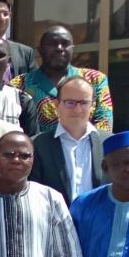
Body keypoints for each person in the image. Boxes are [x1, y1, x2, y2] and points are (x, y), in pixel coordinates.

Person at [11, 26, 113, 132]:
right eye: (52, 44)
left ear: (73, 48)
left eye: (65, 44)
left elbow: (104, 124)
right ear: (40, 50)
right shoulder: (20, 84)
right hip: (38, 147)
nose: (59, 48)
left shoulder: (95, 79)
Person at [30, 76, 105, 204]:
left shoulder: (110, 143)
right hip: (54, 222)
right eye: (70, 102)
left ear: (92, 105)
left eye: (84, 103)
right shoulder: (36, 145)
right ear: (56, 105)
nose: (77, 109)